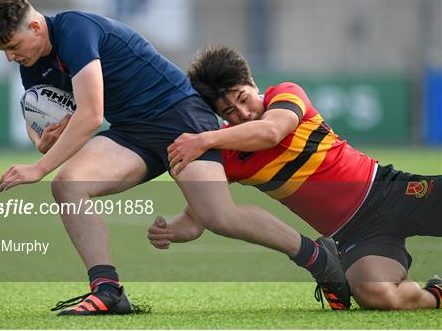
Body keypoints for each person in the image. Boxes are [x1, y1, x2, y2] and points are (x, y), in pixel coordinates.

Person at [0, 0, 349, 315]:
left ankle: (319, 258)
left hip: (180, 117)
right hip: (132, 133)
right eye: (3, 51)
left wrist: (38, 167)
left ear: (35, 27)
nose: (10, 58)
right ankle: (108, 291)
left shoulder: (74, 30)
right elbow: (41, 116)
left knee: (218, 216)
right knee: (69, 185)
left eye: (11, 47)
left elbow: (90, 115)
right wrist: (45, 141)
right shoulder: (32, 60)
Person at [148, 45, 442, 310]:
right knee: (375, 295)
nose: (243, 112)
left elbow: (271, 132)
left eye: (243, 98)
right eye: (229, 111)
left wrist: (204, 140)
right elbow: (199, 218)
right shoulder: (228, 155)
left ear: (252, 83)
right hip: (356, 234)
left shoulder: (284, 94)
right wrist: (170, 230)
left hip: (389, 192)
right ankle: (436, 294)